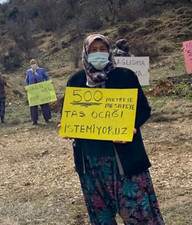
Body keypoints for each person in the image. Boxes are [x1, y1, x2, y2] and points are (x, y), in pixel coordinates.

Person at [60, 34, 164, 224]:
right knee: (101, 217)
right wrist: (67, 128)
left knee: (139, 214)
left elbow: (143, 109)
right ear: (85, 52)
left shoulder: (125, 76)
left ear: (109, 51)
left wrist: (132, 126)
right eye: (93, 50)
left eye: (102, 49)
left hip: (125, 161)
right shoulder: (75, 81)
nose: (98, 54)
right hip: (91, 164)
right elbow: (68, 114)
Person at [25, 59, 52, 125]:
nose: (33, 64)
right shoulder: (28, 72)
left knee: (44, 105)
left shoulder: (41, 70)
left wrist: (49, 82)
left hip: (41, 90)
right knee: (33, 106)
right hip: (33, 91)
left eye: (33, 63)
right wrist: (27, 87)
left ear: (36, 63)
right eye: (31, 63)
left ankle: (47, 119)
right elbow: (27, 80)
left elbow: (46, 77)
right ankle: (34, 121)